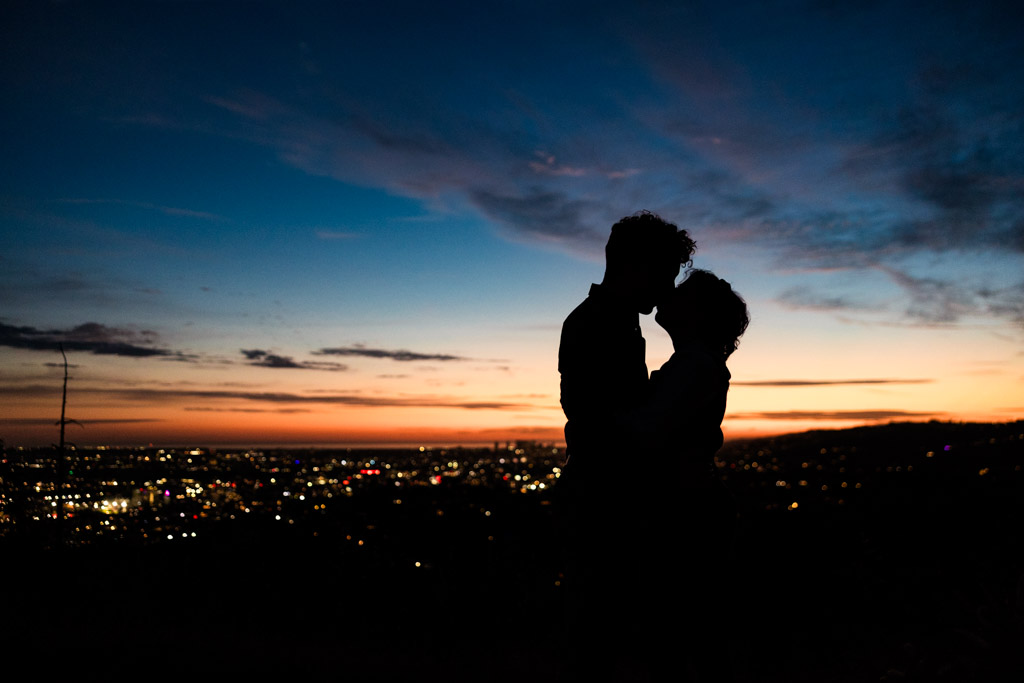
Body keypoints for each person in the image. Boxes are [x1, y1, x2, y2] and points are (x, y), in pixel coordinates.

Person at [556, 210, 695, 679]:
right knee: (600, 629)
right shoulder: (599, 324)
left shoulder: (610, 321)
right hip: (604, 496)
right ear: (636, 267)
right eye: (666, 275)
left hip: (605, 492)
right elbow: (607, 419)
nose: (668, 290)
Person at [641, 268, 750, 682]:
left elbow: (647, 430)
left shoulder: (693, 365)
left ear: (697, 314)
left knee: (680, 633)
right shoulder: (696, 363)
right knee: (694, 631)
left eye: (680, 293)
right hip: (692, 505)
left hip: (685, 510)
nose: (668, 293)